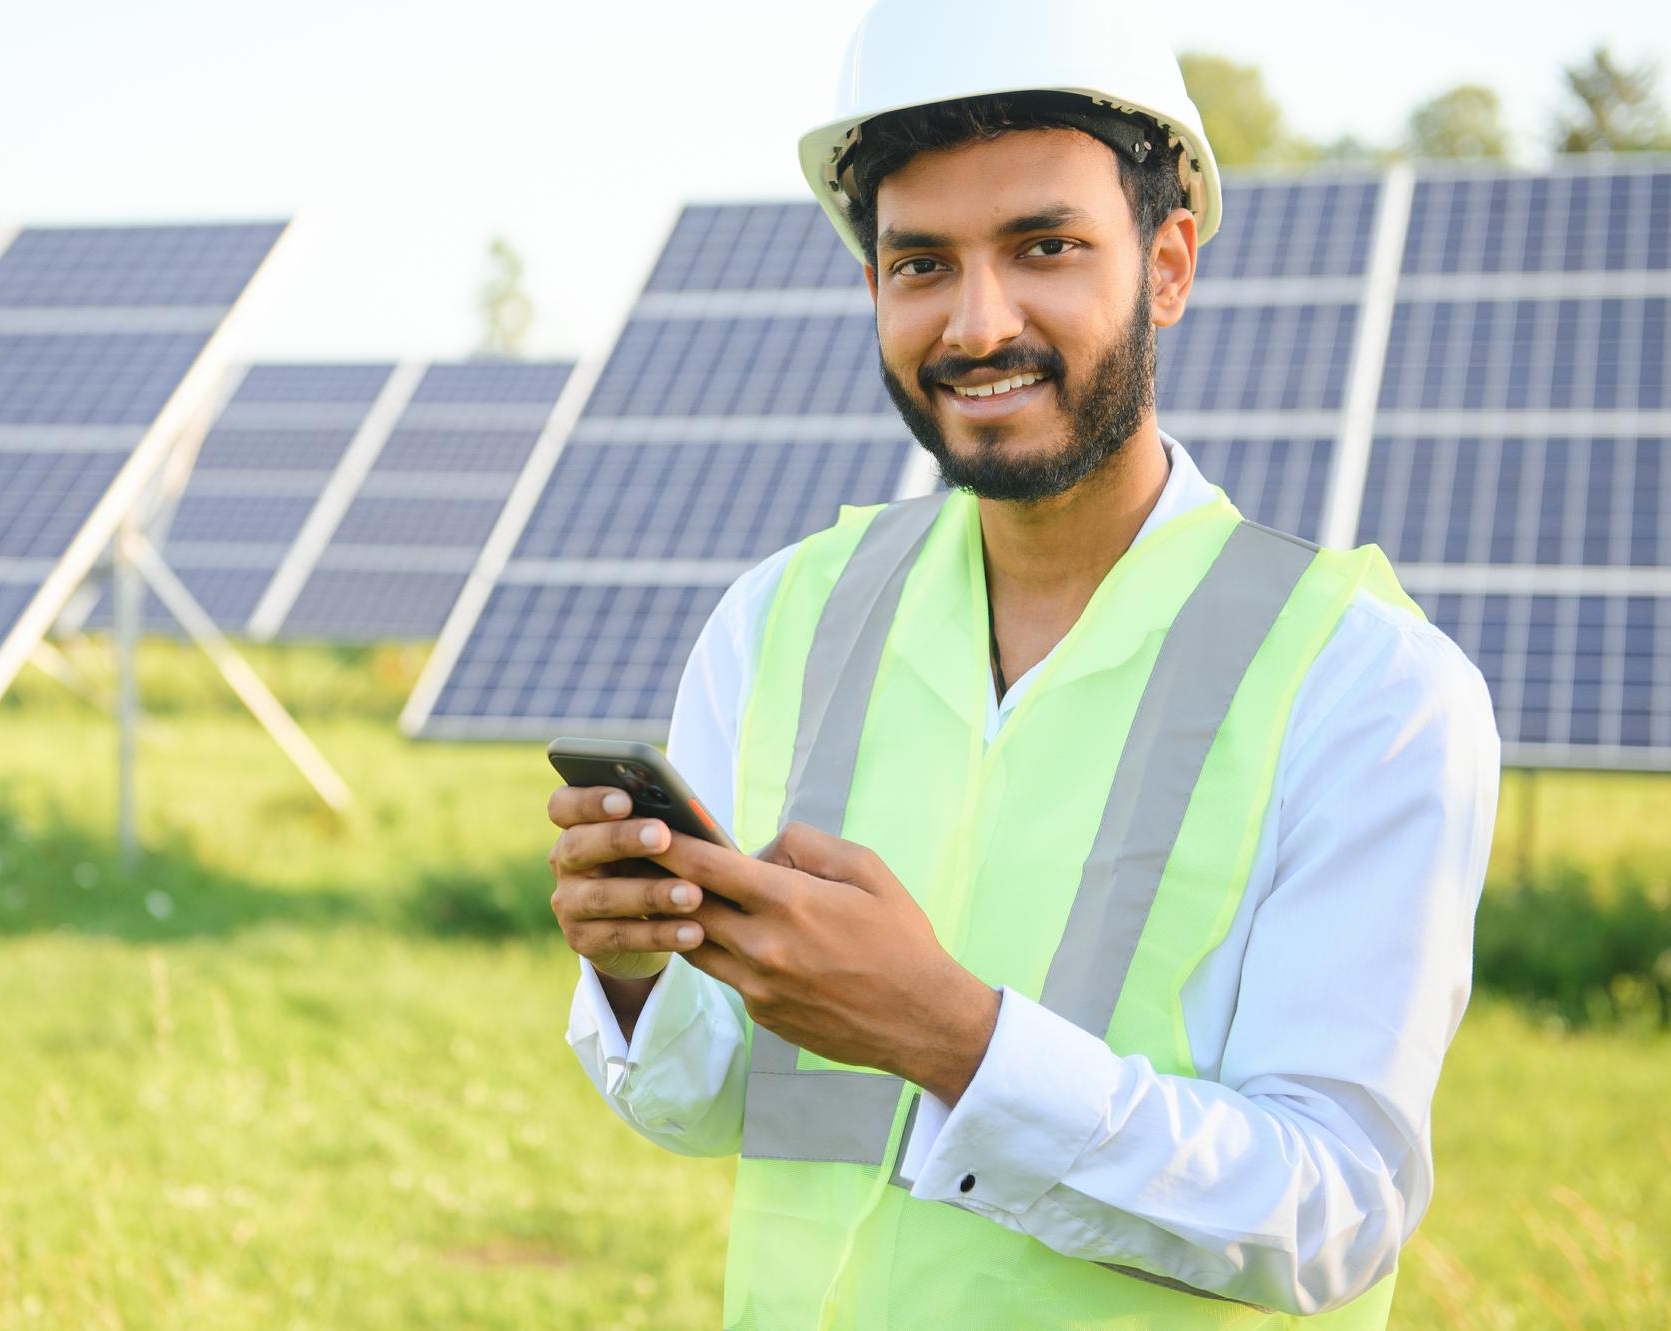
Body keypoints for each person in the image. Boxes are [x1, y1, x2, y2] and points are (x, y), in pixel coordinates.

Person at [545, 0, 1501, 1325]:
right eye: (922, 264)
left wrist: (950, 1035)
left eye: (1044, 247)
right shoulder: (780, 619)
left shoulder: (1368, 689)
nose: (978, 323)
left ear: (1167, 264)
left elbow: (1331, 1212)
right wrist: (639, 968)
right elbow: (712, 1103)